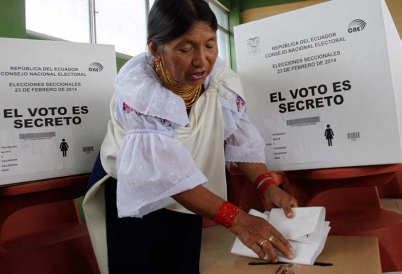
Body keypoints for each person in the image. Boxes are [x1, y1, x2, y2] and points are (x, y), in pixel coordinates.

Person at [83, 0, 298, 273]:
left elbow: (239, 139)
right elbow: (165, 174)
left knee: (182, 262)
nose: (201, 60)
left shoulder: (220, 83)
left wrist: (267, 186)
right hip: (138, 191)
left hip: (192, 189)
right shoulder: (139, 95)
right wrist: (239, 220)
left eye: (209, 45)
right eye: (185, 49)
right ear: (154, 49)